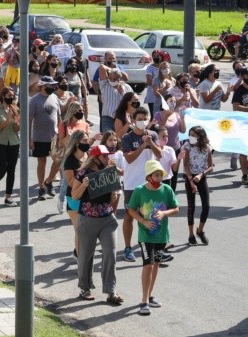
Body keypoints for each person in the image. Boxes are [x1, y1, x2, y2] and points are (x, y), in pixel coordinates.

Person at [71, 145, 123, 306]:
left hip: (107, 219)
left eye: (108, 156)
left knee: (110, 253)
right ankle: (84, 288)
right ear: (95, 159)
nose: (108, 159)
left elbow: (113, 198)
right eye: (104, 156)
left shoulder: (109, 172)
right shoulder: (83, 173)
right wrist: (84, 185)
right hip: (87, 219)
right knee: (86, 255)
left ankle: (111, 291)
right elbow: (74, 196)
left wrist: (113, 184)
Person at [127, 160, 180, 316]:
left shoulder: (167, 189)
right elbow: (131, 209)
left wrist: (164, 213)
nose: (160, 178)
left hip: (161, 236)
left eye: (161, 175)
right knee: (148, 265)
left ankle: (150, 295)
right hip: (145, 236)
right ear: (149, 176)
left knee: (156, 264)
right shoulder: (139, 191)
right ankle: (144, 301)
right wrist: (143, 221)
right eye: (156, 175)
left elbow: (176, 208)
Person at [120, 107, 163, 263]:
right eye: (139, 119)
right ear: (133, 120)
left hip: (149, 183)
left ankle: (154, 249)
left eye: (145, 119)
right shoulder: (127, 138)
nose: (142, 122)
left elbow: (159, 155)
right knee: (129, 215)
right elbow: (129, 159)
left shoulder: (152, 135)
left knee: (151, 214)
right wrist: (143, 146)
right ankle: (127, 248)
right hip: (132, 183)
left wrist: (150, 143)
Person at [29, 77, 60, 200]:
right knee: (42, 162)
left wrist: (61, 134)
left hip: (54, 137)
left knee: (58, 160)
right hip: (39, 137)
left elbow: (59, 118)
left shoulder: (55, 97)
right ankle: (41, 188)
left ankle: (49, 181)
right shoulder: (34, 100)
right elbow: (29, 120)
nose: (52, 87)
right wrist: (30, 139)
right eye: (49, 85)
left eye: (53, 85)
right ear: (42, 86)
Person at [181, 126, 213, 245]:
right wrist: (191, 181)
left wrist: (201, 174)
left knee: (206, 206)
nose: (191, 137)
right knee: (191, 207)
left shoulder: (207, 148)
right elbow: (185, 165)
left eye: (193, 135)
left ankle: (200, 230)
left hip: (201, 177)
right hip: (190, 177)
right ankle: (191, 234)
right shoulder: (187, 146)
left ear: (200, 136)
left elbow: (211, 167)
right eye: (190, 135)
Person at [0, 87, 20, 206]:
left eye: (12, 96)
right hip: (0, 143)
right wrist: (6, 120)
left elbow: (16, 129)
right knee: (2, 169)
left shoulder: (15, 109)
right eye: (9, 96)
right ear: (3, 96)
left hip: (13, 142)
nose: (11, 98)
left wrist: (17, 123)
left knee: (11, 170)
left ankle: (8, 197)